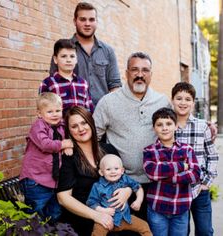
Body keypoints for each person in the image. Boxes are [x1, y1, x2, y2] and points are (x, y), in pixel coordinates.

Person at [93, 52, 171, 220]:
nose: (140, 75)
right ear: (126, 73)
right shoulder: (108, 102)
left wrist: (205, 126)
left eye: (145, 70)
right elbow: (93, 138)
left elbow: (175, 128)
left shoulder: (162, 101)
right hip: (121, 184)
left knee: (156, 229)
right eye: (134, 70)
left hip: (158, 182)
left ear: (151, 74)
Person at [56, 106, 132, 236]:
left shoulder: (109, 150)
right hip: (84, 218)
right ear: (69, 130)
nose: (81, 129)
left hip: (114, 215)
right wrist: (96, 215)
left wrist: (127, 191)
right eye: (74, 126)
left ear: (91, 123)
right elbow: (63, 198)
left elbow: (125, 180)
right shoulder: (69, 157)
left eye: (84, 123)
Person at [50, 2, 122, 106]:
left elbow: (115, 84)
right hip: (72, 116)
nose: (87, 23)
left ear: (96, 21)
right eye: (83, 19)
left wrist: (109, 109)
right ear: (75, 21)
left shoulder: (108, 51)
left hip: (102, 114)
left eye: (91, 19)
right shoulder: (63, 51)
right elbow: (53, 81)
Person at [143, 107, 201, 236]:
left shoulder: (187, 149)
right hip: (157, 208)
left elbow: (196, 174)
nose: (164, 128)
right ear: (154, 128)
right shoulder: (149, 151)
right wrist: (181, 166)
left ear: (176, 126)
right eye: (159, 125)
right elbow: (152, 173)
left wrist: (165, 174)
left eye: (169, 124)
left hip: (181, 208)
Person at [171, 82, 219, 236]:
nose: (183, 102)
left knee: (205, 231)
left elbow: (212, 156)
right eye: (179, 98)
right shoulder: (167, 127)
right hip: (177, 191)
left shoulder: (202, 126)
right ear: (172, 100)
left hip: (199, 189)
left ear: (193, 102)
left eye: (187, 99)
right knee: (182, 231)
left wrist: (206, 182)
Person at [19, 92, 73, 223]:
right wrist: (63, 144)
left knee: (54, 212)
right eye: (49, 111)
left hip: (51, 180)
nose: (55, 114)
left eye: (58, 111)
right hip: (35, 180)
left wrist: (68, 145)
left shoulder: (61, 126)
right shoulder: (38, 127)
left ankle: (49, 230)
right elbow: (45, 144)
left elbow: (69, 138)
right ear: (39, 114)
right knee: (35, 213)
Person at [87, 154, 152, 236]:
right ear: (101, 172)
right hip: (105, 220)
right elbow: (91, 203)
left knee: (144, 226)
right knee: (97, 233)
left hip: (125, 218)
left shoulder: (125, 179)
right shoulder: (97, 186)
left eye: (116, 169)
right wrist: (103, 210)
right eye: (108, 169)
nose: (113, 171)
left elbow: (138, 187)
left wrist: (138, 200)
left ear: (122, 171)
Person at [39, 39, 94, 114]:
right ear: (55, 59)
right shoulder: (48, 83)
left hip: (79, 125)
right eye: (64, 56)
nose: (68, 60)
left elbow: (89, 110)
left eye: (72, 56)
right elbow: (43, 111)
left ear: (76, 59)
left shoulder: (83, 83)